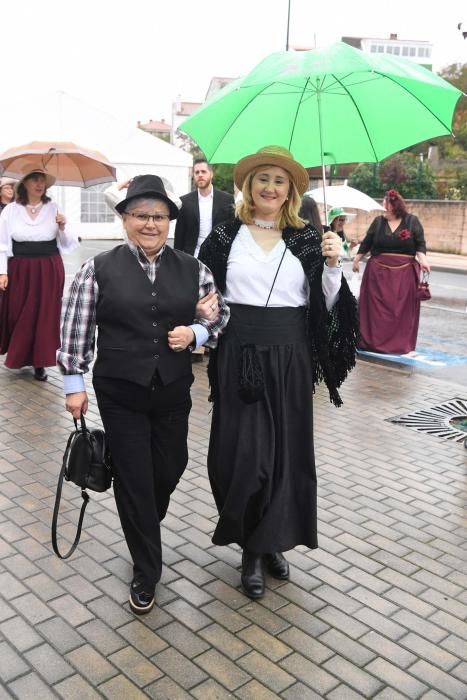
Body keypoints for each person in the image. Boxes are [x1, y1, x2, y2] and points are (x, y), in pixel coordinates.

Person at [58, 174, 229, 615]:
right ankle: (146, 570)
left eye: (158, 216)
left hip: (172, 388)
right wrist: (74, 384)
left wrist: (194, 331)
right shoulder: (97, 269)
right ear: (125, 218)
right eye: (140, 215)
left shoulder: (194, 269)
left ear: (170, 221)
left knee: (171, 466)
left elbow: (220, 314)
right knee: (134, 478)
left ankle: (142, 520)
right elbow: (76, 328)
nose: (150, 223)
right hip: (119, 390)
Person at [198, 145, 358, 599]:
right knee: (243, 455)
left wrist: (332, 265)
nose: (270, 187)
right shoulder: (224, 236)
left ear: (291, 191)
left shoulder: (310, 239)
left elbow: (327, 310)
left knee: (285, 455)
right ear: (249, 187)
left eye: (279, 181)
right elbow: (204, 290)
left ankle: (270, 544)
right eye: (262, 178)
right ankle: (249, 546)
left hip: (290, 357)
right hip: (238, 355)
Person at [0, 167, 79, 381]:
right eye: (34, 179)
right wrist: (2, 272)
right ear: (24, 183)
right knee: (19, 312)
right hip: (20, 268)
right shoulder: (11, 210)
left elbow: (69, 242)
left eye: (42, 179)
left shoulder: (54, 208)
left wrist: (63, 226)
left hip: (49, 268)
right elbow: (2, 244)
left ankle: (39, 362)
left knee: (44, 314)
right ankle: (21, 355)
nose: (39, 183)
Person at [352, 188, 430, 354]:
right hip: (377, 274)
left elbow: (420, 245)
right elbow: (367, 242)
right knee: (375, 310)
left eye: (385, 203)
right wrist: (357, 259)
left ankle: (398, 344)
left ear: (394, 205)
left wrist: (423, 261)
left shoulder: (412, 221)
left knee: (400, 311)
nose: (383, 206)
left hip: (404, 274)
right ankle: (371, 342)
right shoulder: (378, 222)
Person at [174, 158, 234, 257]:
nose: (200, 175)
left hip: (217, 257)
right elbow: (179, 235)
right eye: (197, 172)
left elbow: (231, 231)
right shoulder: (184, 201)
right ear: (193, 176)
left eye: (203, 172)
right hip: (192, 257)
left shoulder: (227, 200)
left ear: (211, 174)